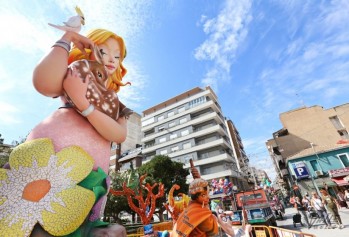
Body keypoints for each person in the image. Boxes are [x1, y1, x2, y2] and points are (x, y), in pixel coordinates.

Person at [1, 29, 129, 236]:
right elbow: (43, 82)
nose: (111, 59)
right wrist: (66, 39)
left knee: (72, 221)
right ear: (89, 48)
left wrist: (84, 104)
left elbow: (118, 134)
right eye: (104, 51)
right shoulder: (74, 76)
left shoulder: (116, 104)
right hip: (38, 164)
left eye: (118, 55)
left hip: (86, 176)